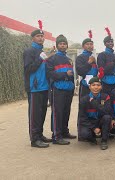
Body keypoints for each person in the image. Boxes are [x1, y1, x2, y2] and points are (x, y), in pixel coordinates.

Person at [23, 20, 51, 148]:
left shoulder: (42, 51)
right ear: (33, 38)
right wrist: (40, 59)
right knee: (34, 114)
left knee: (42, 112)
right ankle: (34, 139)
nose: (41, 38)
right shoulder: (29, 52)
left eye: (42, 36)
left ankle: (39, 134)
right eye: (38, 36)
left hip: (44, 86)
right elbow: (28, 69)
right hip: (34, 88)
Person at [47, 34, 76, 145]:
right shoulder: (52, 59)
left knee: (66, 111)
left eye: (64, 44)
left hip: (68, 89)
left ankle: (64, 131)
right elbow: (49, 73)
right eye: (61, 44)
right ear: (57, 45)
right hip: (57, 89)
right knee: (57, 112)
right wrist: (64, 74)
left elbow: (72, 75)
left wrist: (72, 87)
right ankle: (56, 135)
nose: (63, 45)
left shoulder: (69, 59)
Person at [78, 77, 115, 150]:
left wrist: (94, 103)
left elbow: (107, 111)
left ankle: (104, 140)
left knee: (107, 117)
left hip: (100, 120)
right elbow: (82, 118)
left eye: (98, 85)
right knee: (84, 134)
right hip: (90, 122)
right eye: (93, 85)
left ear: (101, 87)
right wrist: (93, 128)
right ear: (89, 87)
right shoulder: (84, 99)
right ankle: (92, 138)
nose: (96, 87)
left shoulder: (105, 97)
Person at [97, 27, 115, 95]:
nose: (110, 43)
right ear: (105, 44)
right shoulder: (102, 55)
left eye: (112, 42)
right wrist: (113, 63)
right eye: (108, 42)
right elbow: (102, 70)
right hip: (106, 82)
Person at [76, 30, 98, 99]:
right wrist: (88, 63)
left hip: (94, 85)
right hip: (85, 85)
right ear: (83, 46)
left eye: (91, 44)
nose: (89, 46)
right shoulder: (80, 57)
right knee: (84, 105)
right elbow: (79, 71)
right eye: (87, 44)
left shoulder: (93, 57)